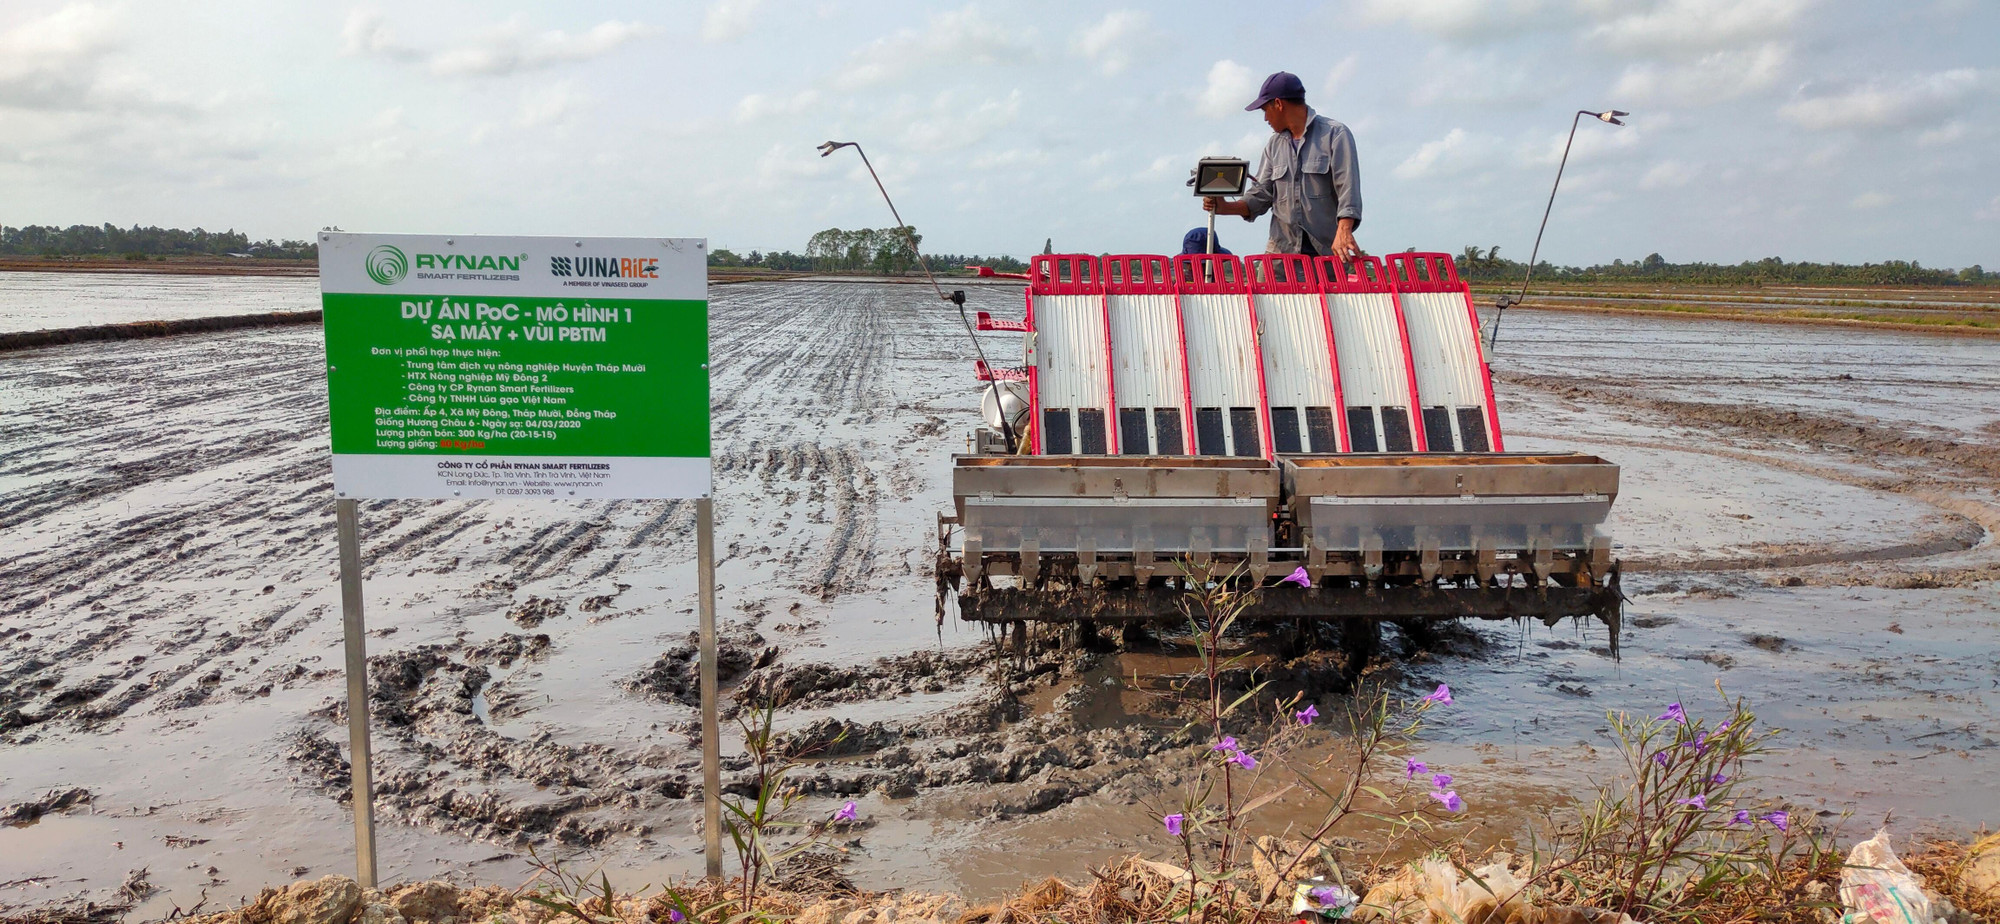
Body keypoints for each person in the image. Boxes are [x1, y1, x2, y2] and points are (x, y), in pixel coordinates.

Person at [1203, 71, 1363, 260]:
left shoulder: (1335, 135)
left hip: (1326, 255)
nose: (1265, 119)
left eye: (1265, 110)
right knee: (1258, 288)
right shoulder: (1274, 145)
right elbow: (1261, 196)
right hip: (1281, 256)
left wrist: (1344, 230)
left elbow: (1348, 188)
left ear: (1278, 104)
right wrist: (1224, 207)